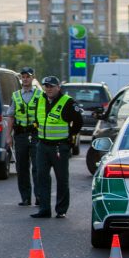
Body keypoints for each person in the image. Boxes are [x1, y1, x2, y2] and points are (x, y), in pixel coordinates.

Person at [31, 76, 82, 219]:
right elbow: (37, 119)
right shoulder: (40, 99)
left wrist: (69, 136)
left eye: (52, 86)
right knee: (42, 177)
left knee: (61, 178)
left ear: (58, 87)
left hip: (59, 146)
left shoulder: (67, 102)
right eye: (46, 86)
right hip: (42, 145)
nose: (49, 89)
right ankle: (44, 209)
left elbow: (78, 121)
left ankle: (61, 210)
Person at [11, 67, 41, 206]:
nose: (25, 79)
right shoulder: (16, 95)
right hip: (21, 135)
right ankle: (25, 198)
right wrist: (8, 137)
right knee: (22, 168)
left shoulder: (40, 95)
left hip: (35, 135)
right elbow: (11, 116)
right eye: (23, 77)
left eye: (28, 76)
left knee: (37, 167)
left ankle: (39, 197)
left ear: (32, 78)